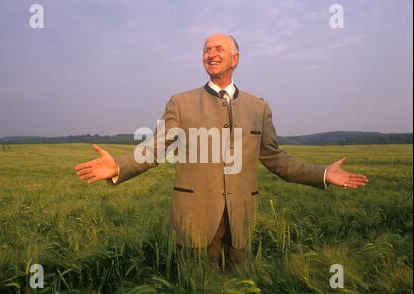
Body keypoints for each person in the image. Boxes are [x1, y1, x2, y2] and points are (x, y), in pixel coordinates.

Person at [75, 33, 369, 270]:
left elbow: (276, 159)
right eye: (206, 50)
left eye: (218, 48)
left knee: (238, 286)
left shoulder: (259, 107)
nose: (211, 54)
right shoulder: (180, 103)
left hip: (240, 220)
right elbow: (156, 149)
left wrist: (326, 174)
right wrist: (118, 167)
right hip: (194, 222)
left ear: (235, 58)